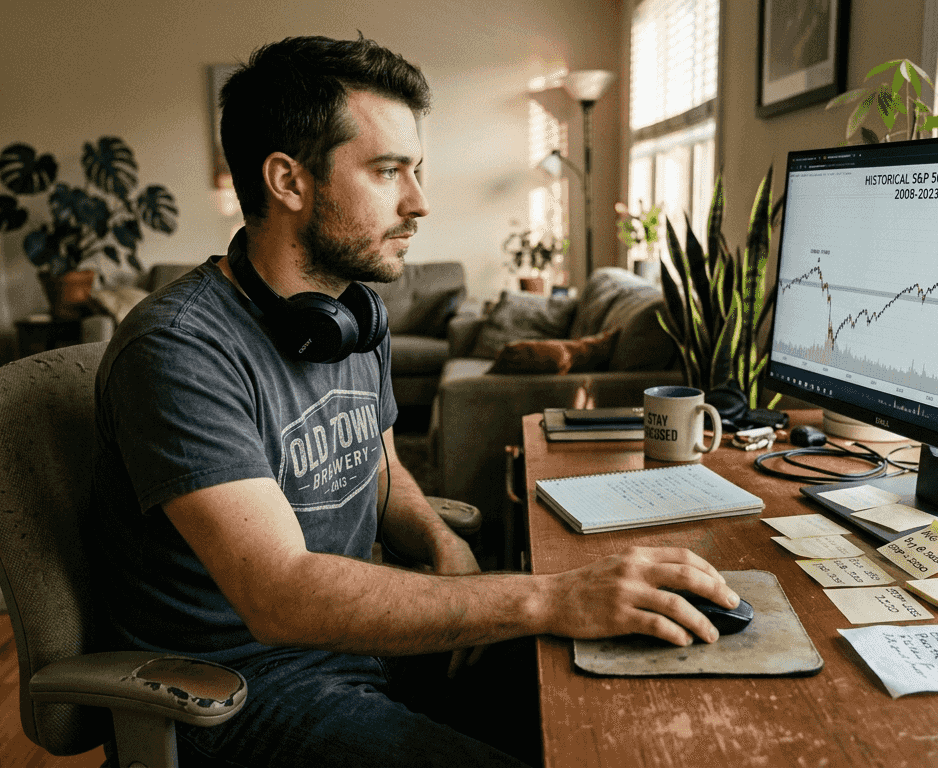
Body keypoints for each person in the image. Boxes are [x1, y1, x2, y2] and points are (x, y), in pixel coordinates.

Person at [86, 34, 740, 767]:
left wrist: (439, 540)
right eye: (388, 170)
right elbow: (282, 594)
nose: (419, 202)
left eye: (415, 170)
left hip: (361, 651)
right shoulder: (179, 349)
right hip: (233, 694)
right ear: (288, 181)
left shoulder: (351, 318)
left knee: (640, 711)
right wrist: (549, 596)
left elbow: (381, 468)